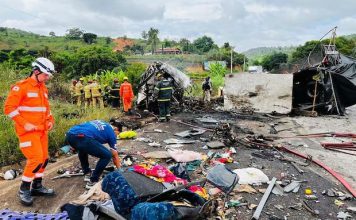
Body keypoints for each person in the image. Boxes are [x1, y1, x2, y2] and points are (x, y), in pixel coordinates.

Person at [4, 57, 56, 206]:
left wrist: (50, 121)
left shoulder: (42, 88)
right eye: (45, 75)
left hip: (41, 131)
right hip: (27, 132)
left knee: (44, 158)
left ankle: (37, 186)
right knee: (35, 159)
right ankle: (24, 189)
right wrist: (24, 123)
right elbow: (9, 108)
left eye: (48, 75)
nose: (47, 78)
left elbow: (46, 109)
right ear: (36, 71)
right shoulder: (21, 87)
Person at [65, 120, 121, 189]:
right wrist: (120, 170)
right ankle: (93, 181)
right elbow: (114, 155)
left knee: (83, 149)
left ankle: (87, 173)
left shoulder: (103, 123)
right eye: (117, 134)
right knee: (107, 155)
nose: (116, 136)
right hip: (82, 137)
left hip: (70, 135)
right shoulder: (112, 133)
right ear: (116, 129)